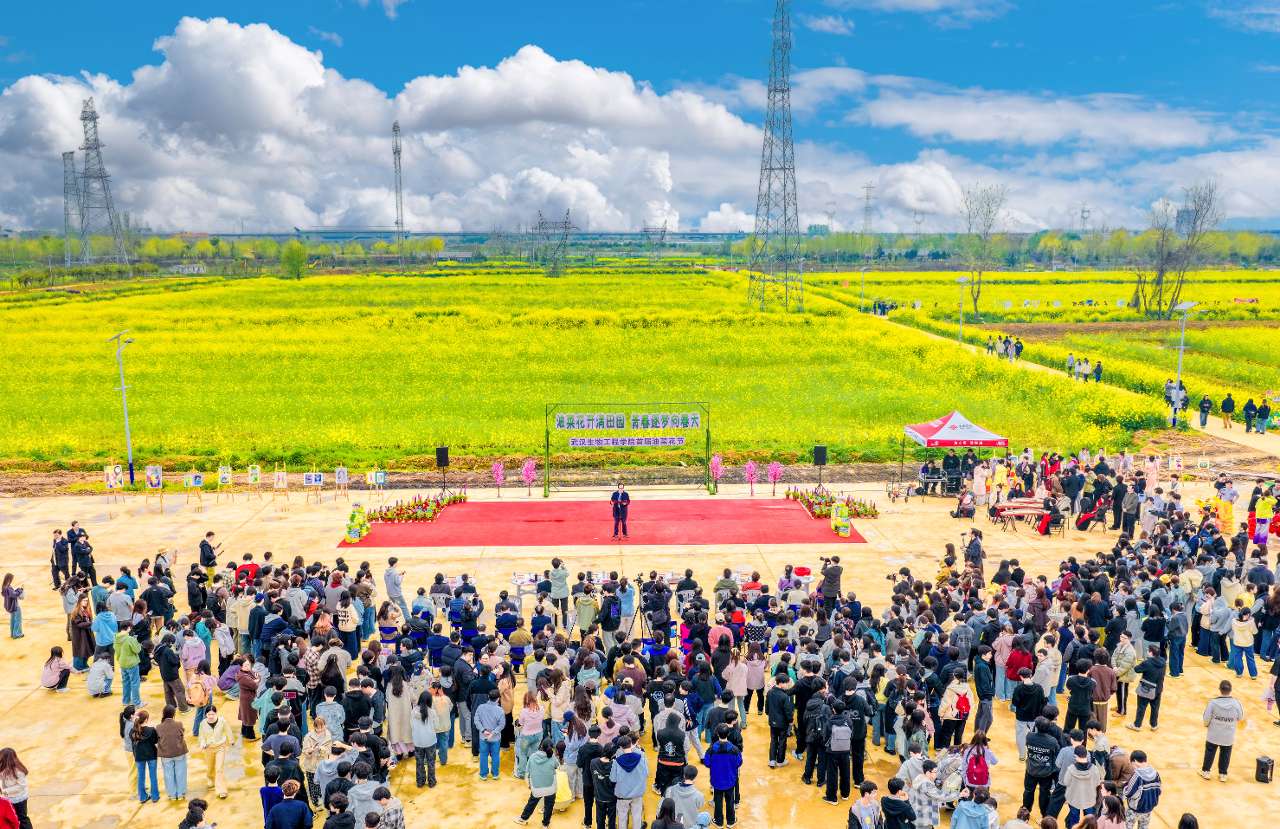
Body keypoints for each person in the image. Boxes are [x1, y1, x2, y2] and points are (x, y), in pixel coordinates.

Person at [1200, 680, 1245, 781]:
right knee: (1226, 753)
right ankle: (1223, 774)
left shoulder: (1213, 702)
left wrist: (1206, 725)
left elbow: (1206, 717)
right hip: (1228, 735)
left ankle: (1206, 771)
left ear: (1220, 690)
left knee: (1210, 752)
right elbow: (1241, 717)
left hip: (1213, 734)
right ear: (1231, 690)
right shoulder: (1236, 703)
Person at [702, 726, 741, 827]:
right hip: (730, 780)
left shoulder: (711, 749)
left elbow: (706, 762)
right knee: (730, 800)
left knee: (718, 800)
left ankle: (718, 821)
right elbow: (739, 762)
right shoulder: (734, 749)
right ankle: (731, 821)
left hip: (717, 780)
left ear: (717, 734)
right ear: (728, 734)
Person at [515, 739, 559, 826]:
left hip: (536, 788)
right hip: (550, 788)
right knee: (549, 806)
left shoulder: (532, 757)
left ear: (541, 746)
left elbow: (527, 772)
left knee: (531, 803)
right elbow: (557, 766)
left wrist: (529, 785)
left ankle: (523, 819)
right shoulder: (552, 757)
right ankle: (545, 824)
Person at [612, 735, 649, 829]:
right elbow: (646, 773)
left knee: (622, 817)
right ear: (631, 744)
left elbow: (613, 778)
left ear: (620, 747)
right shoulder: (641, 758)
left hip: (622, 794)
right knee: (637, 816)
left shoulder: (616, 762)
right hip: (637, 793)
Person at [1121, 751, 1161, 829]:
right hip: (1148, 810)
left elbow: (1128, 792)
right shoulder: (1156, 774)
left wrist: (1125, 785)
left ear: (1135, 761)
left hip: (1134, 810)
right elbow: (1159, 791)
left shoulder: (1137, 775)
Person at [157, 704, 189, 801]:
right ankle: (181, 793)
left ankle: (171, 794)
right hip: (179, 752)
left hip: (165, 754)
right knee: (181, 772)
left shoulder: (158, 727)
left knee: (168, 774)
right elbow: (182, 733)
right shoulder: (179, 724)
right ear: (174, 714)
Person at [198, 706, 231, 799]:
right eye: (209, 714)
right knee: (210, 766)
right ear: (206, 715)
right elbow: (201, 736)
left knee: (219, 768)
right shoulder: (202, 724)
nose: (211, 716)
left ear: (216, 714)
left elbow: (228, 730)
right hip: (209, 748)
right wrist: (203, 744)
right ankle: (210, 778)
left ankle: (222, 790)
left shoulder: (222, 721)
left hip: (220, 747)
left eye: (213, 714)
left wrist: (231, 741)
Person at [132, 709, 161, 803]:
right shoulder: (152, 730)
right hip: (151, 755)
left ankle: (142, 797)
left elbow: (132, 743)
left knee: (141, 776)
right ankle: (155, 796)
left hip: (139, 756)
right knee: (153, 776)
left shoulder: (133, 731)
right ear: (146, 720)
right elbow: (156, 741)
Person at [0, 749, 30, 829]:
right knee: (11, 816)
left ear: (6, 759)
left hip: (19, 798)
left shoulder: (19, 770)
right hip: (8, 798)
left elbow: (21, 786)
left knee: (22, 817)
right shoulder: (2, 766)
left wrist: (5, 791)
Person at [1, 575, 23, 639]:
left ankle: (12, 634)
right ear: (9, 579)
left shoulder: (4, 587)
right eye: (11, 579)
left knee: (12, 620)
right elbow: (14, 595)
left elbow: (11, 594)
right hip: (15, 606)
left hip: (10, 606)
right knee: (18, 620)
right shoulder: (8, 588)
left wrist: (17, 590)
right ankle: (16, 634)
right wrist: (20, 590)